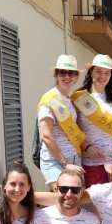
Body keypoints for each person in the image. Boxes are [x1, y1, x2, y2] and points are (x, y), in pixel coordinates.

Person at [73, 54, 112, 186]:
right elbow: (73, 130)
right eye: (98, 71)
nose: (102, 76)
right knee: (96, 204)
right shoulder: (79, 97)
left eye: (106, 72)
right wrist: (86, 147)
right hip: (91, 161)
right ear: (91, 71)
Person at [37, 55, 85, 191]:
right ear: (56, 74)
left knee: (72, 202)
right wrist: (65, 164)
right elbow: (46, 136)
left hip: (74, 158)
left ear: (76, 77)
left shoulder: (68, 99)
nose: (67, 76)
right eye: (62, 72)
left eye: (71, 73)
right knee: (61, 198)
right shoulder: (49, 98)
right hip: (55, 161)